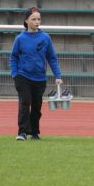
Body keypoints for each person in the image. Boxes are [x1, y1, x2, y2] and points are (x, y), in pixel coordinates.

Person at [9, 7, 63, 141]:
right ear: (26, 21)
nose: (37, 22)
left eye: (39, 19)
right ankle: (22, 132)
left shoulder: (45, 38)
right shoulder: (20, 38)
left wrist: (57, 75)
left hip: (39, 78)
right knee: (25, 103)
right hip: (23, 77)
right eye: (33, 19)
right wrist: (15, 74)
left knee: (36, 107)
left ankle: (34, 132)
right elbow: (13, 57)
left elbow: (52, 58)